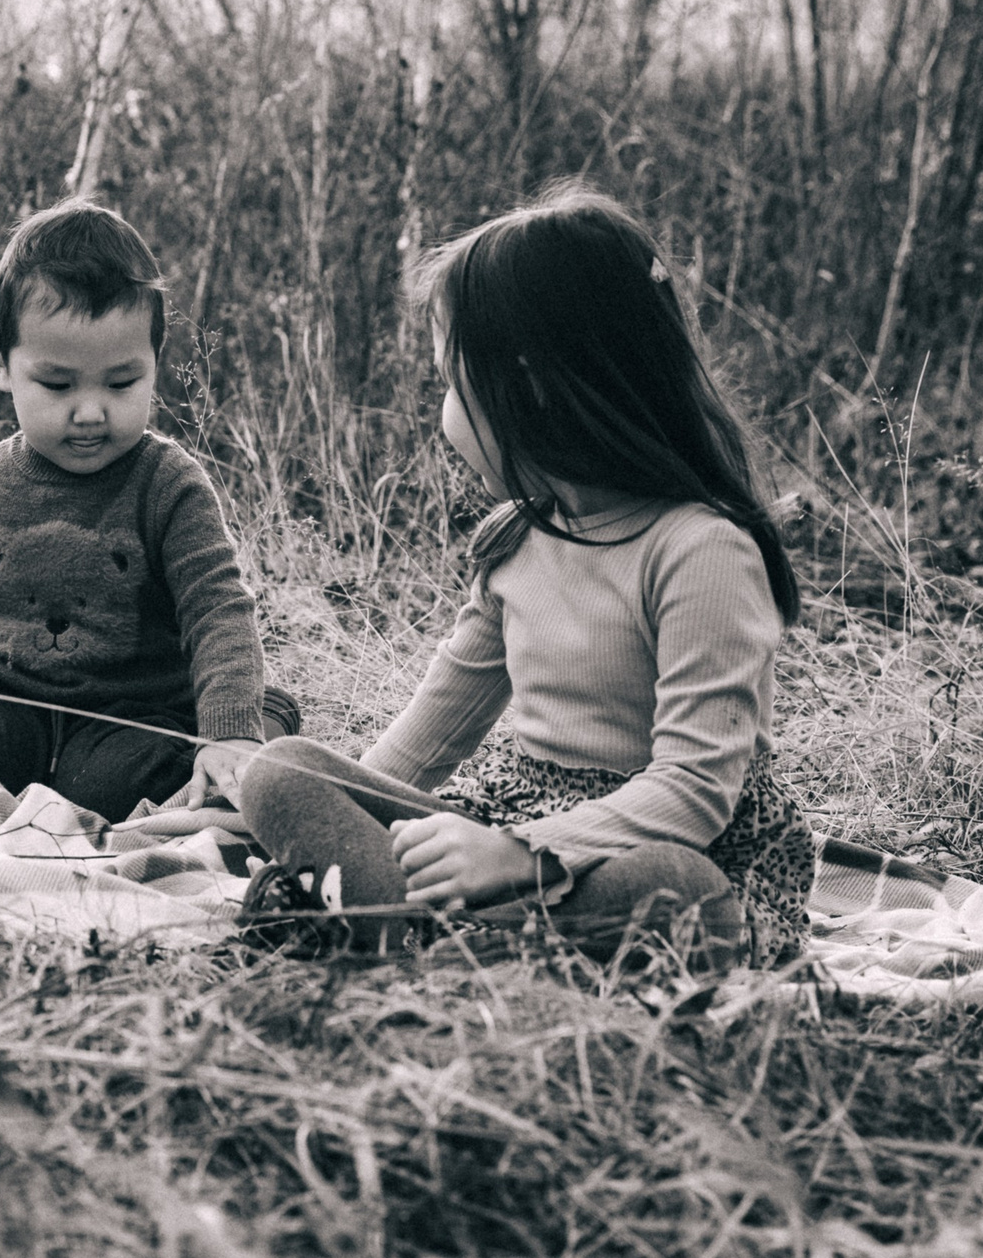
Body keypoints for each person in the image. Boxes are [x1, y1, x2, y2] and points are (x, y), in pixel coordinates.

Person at [240, 182, 816, 967]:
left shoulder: (699, 550)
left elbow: (695, 789)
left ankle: (395, 932)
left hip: (663, 853)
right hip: (507, 839)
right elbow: (413, 754)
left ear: (530, 382)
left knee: (670, 888)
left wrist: (524, 855)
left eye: (450, 379)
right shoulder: (517, 542)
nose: (442, 407)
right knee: (281, 769)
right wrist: (322, 817)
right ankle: (420, 935)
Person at [0, 200, 297, 823]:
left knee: (119, 791)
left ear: (155, 364)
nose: (89, 412)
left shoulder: (171, 485)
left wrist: (230, 729)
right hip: (0, 712)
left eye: (121, 383)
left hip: (131, 720)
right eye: (57, 385)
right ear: (1, 365)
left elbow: (217, 612)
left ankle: (267, 712)